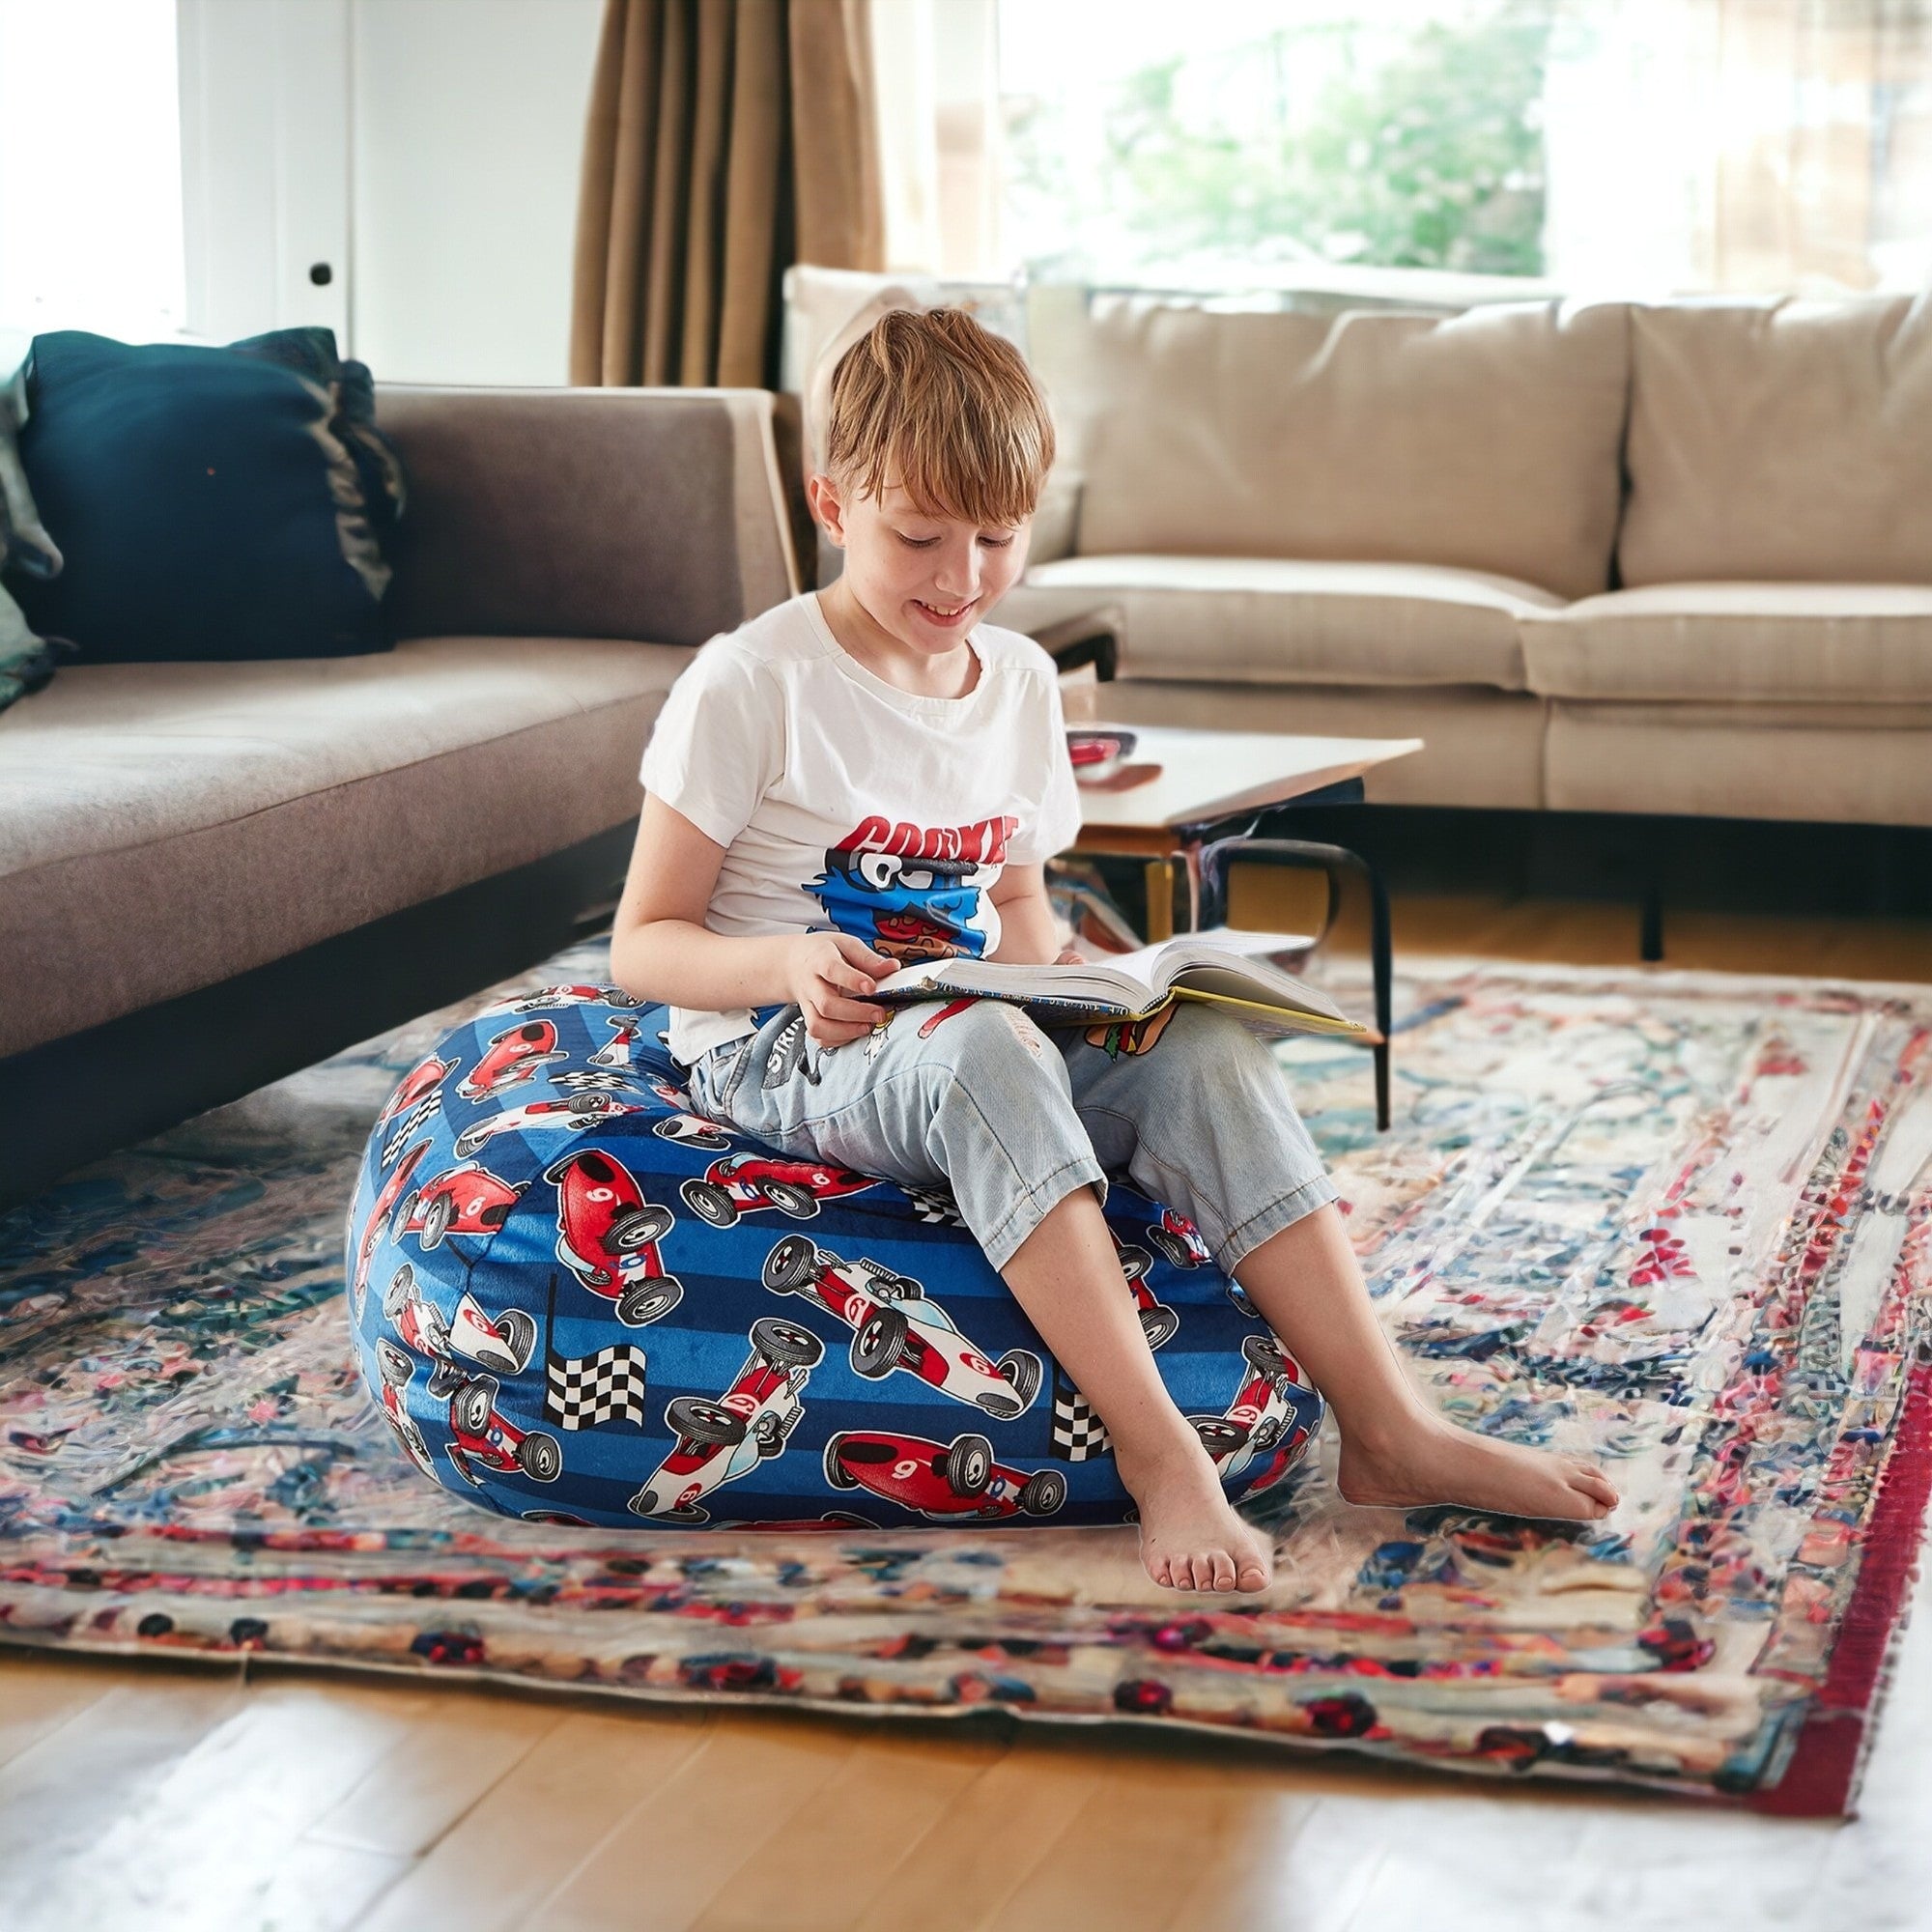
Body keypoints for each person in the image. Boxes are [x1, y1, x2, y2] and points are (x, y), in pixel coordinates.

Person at [609, 306, 1620, 1594]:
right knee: (981, 1049)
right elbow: (643, 946)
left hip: (961, 1018)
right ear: (830, 502)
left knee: (1202, 1049)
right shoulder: (754, 683)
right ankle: (1162, 1460)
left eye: (1000, 536)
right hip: (786, 1042)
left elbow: (1019, 909)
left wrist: (1116, 991)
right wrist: (783, 966)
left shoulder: (1020, 681)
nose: (961, 574)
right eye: (920, 535)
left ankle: (1391, 1427)